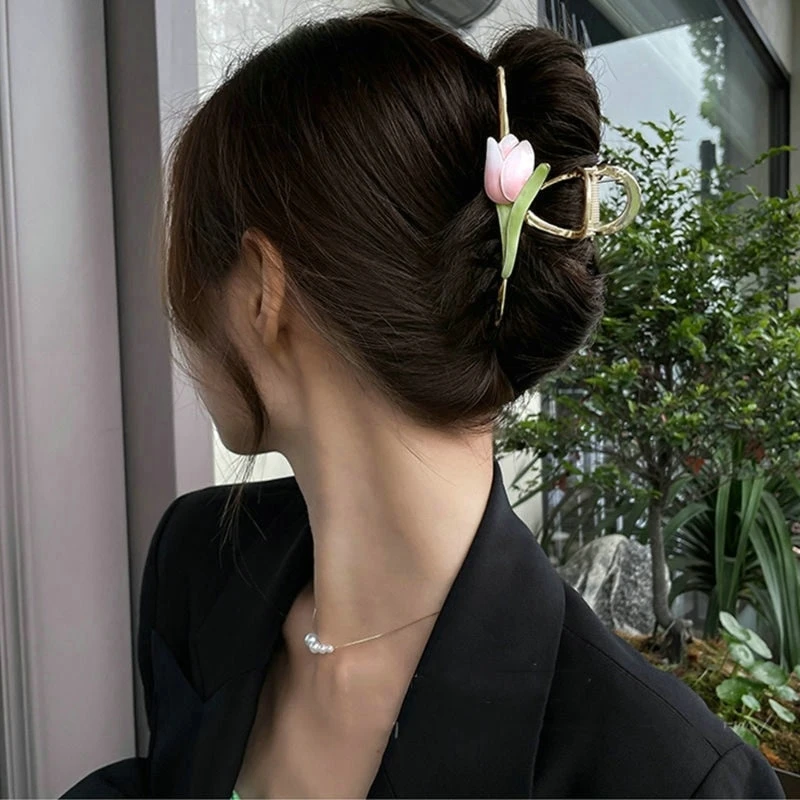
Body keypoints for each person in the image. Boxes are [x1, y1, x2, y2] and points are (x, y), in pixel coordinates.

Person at [62, 8, 785, 799]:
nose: (179, 322)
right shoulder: (201, 563)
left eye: (189, 272)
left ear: (264, 291)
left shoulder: (669, 780)